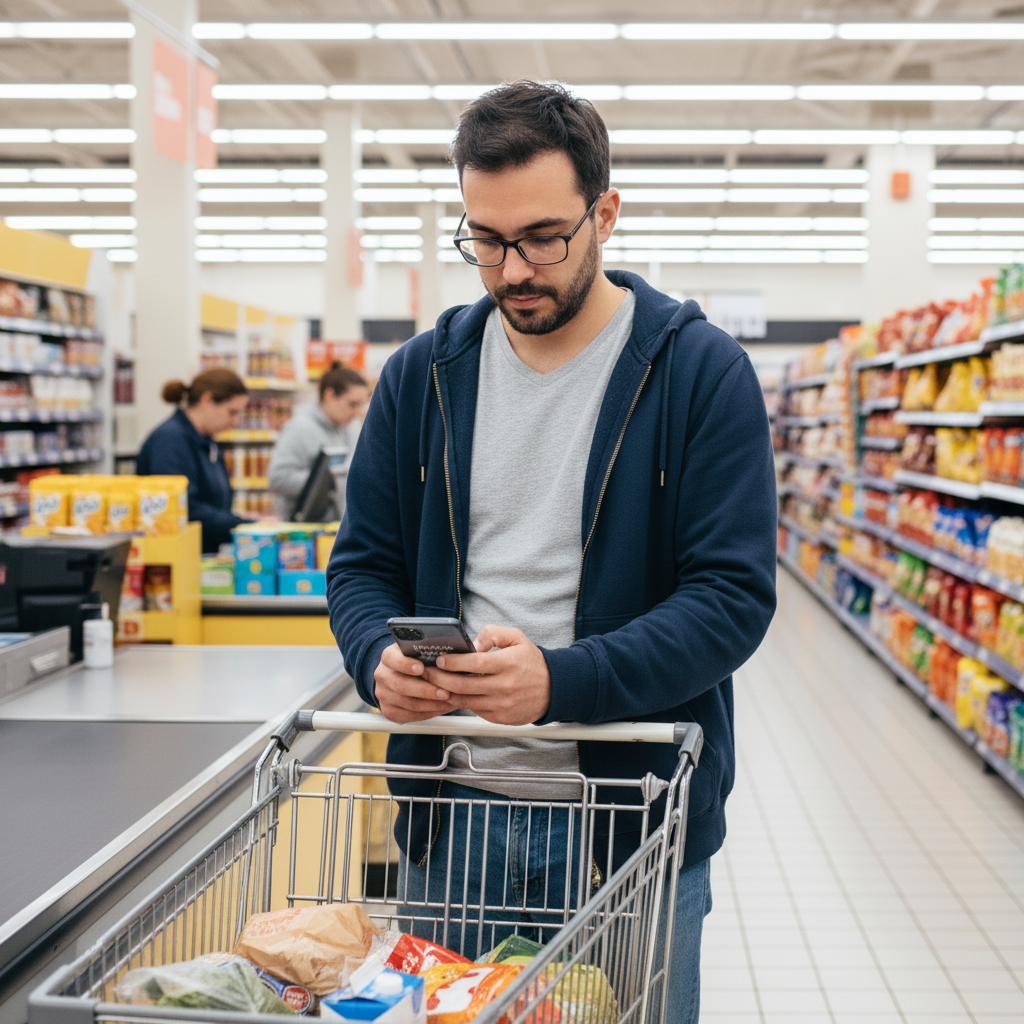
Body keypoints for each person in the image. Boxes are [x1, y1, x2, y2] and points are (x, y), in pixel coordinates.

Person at [326, 80, 776, 1022]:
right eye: (484, 240)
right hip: (453, 821)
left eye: (541, 237)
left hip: (628, 826)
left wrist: (560, 682)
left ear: (604, 213)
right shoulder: (421, 377)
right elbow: (362, 564)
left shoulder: (700, 374)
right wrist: (376, 658)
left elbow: (731, 598)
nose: (511, 269)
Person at [136, 368, 250, 553]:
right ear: (207, 400)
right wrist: (246, 526)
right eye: (232, 412)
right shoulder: (170, 441)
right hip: (174, 557)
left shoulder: (205, 441)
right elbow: (185, 508)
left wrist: (241, 519)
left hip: (201, 554)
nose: (235, 421)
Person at [267, 362, 369, 520]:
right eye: (352, 404)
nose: (357, 412)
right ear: (329, 396)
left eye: (361, 405)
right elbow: (278, 478)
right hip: (302, 533)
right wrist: (324, 482)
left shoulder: (348, 429)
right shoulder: (300, 429)